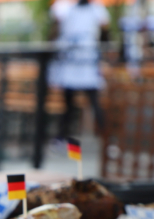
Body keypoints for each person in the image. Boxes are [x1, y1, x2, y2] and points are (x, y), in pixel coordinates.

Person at [52, 0, 110, 139]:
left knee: (90, 102)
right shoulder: (65, 8)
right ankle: (63, 138)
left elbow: (105, 31)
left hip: (85, 62)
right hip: (73, 61)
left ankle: (106, 139)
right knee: (70, 105)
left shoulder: (96, 9)